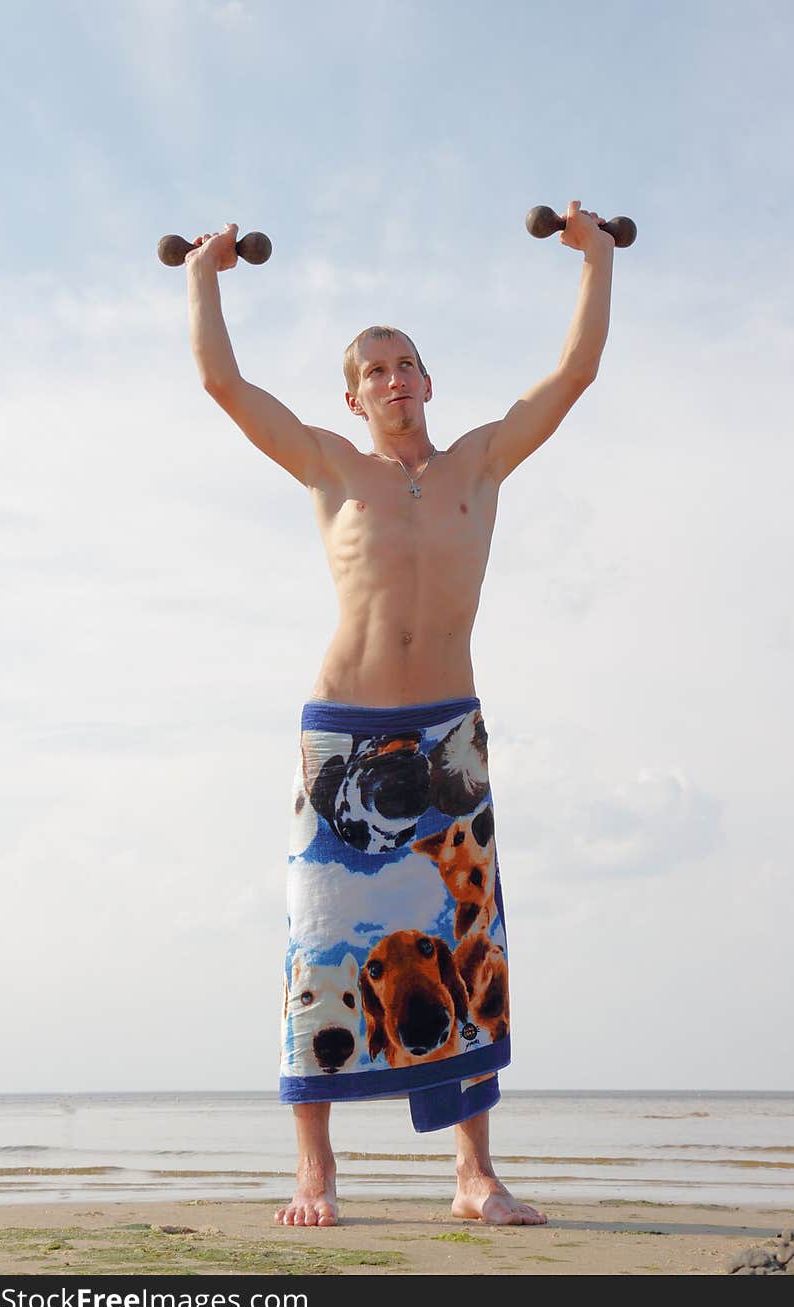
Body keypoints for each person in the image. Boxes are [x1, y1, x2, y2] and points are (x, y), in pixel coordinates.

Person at [184, 201, 614, 1227]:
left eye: (404, 363)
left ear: (427, 380)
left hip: (448, 736)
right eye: (372, 370)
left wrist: (594, 260)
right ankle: (315, 1174)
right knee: (321, 948)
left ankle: (473, 1175)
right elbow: (223, 385)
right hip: (343, 734)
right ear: (352, 393)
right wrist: (203, 274)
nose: (391, 379)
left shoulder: (479, 462)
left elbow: (574, 374)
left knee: (466, 943)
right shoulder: (334, 467)